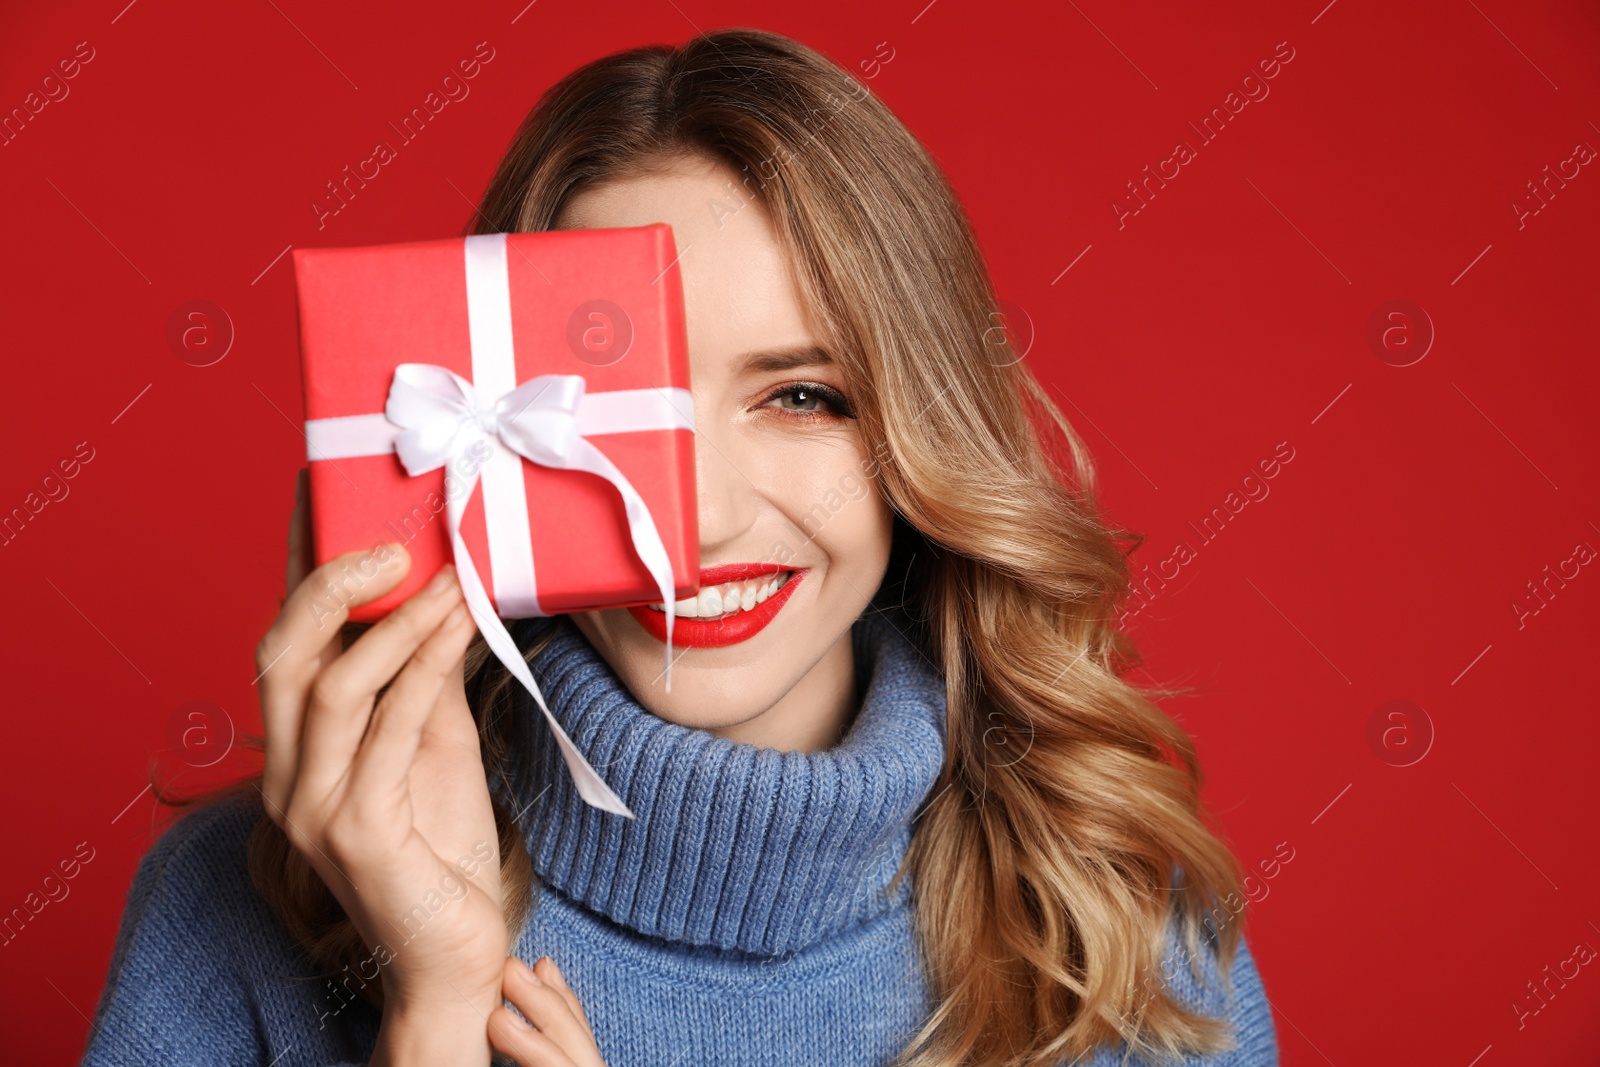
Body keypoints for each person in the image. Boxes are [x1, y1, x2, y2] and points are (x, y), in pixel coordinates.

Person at [81, 27, 1278, 1067]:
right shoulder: (230, 903)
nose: (691, 520)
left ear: (923, 433)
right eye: (608, 410)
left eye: (803, 395)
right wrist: (433, 1010)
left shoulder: (1127, 941)